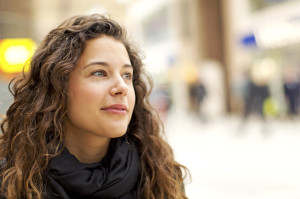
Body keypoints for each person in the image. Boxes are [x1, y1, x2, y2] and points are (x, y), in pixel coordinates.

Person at [0, 14, 189, 199]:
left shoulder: (161, 177)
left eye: (126, 75)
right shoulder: (10, 183)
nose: (121, 87)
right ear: (57, 86)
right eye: (99, 73)